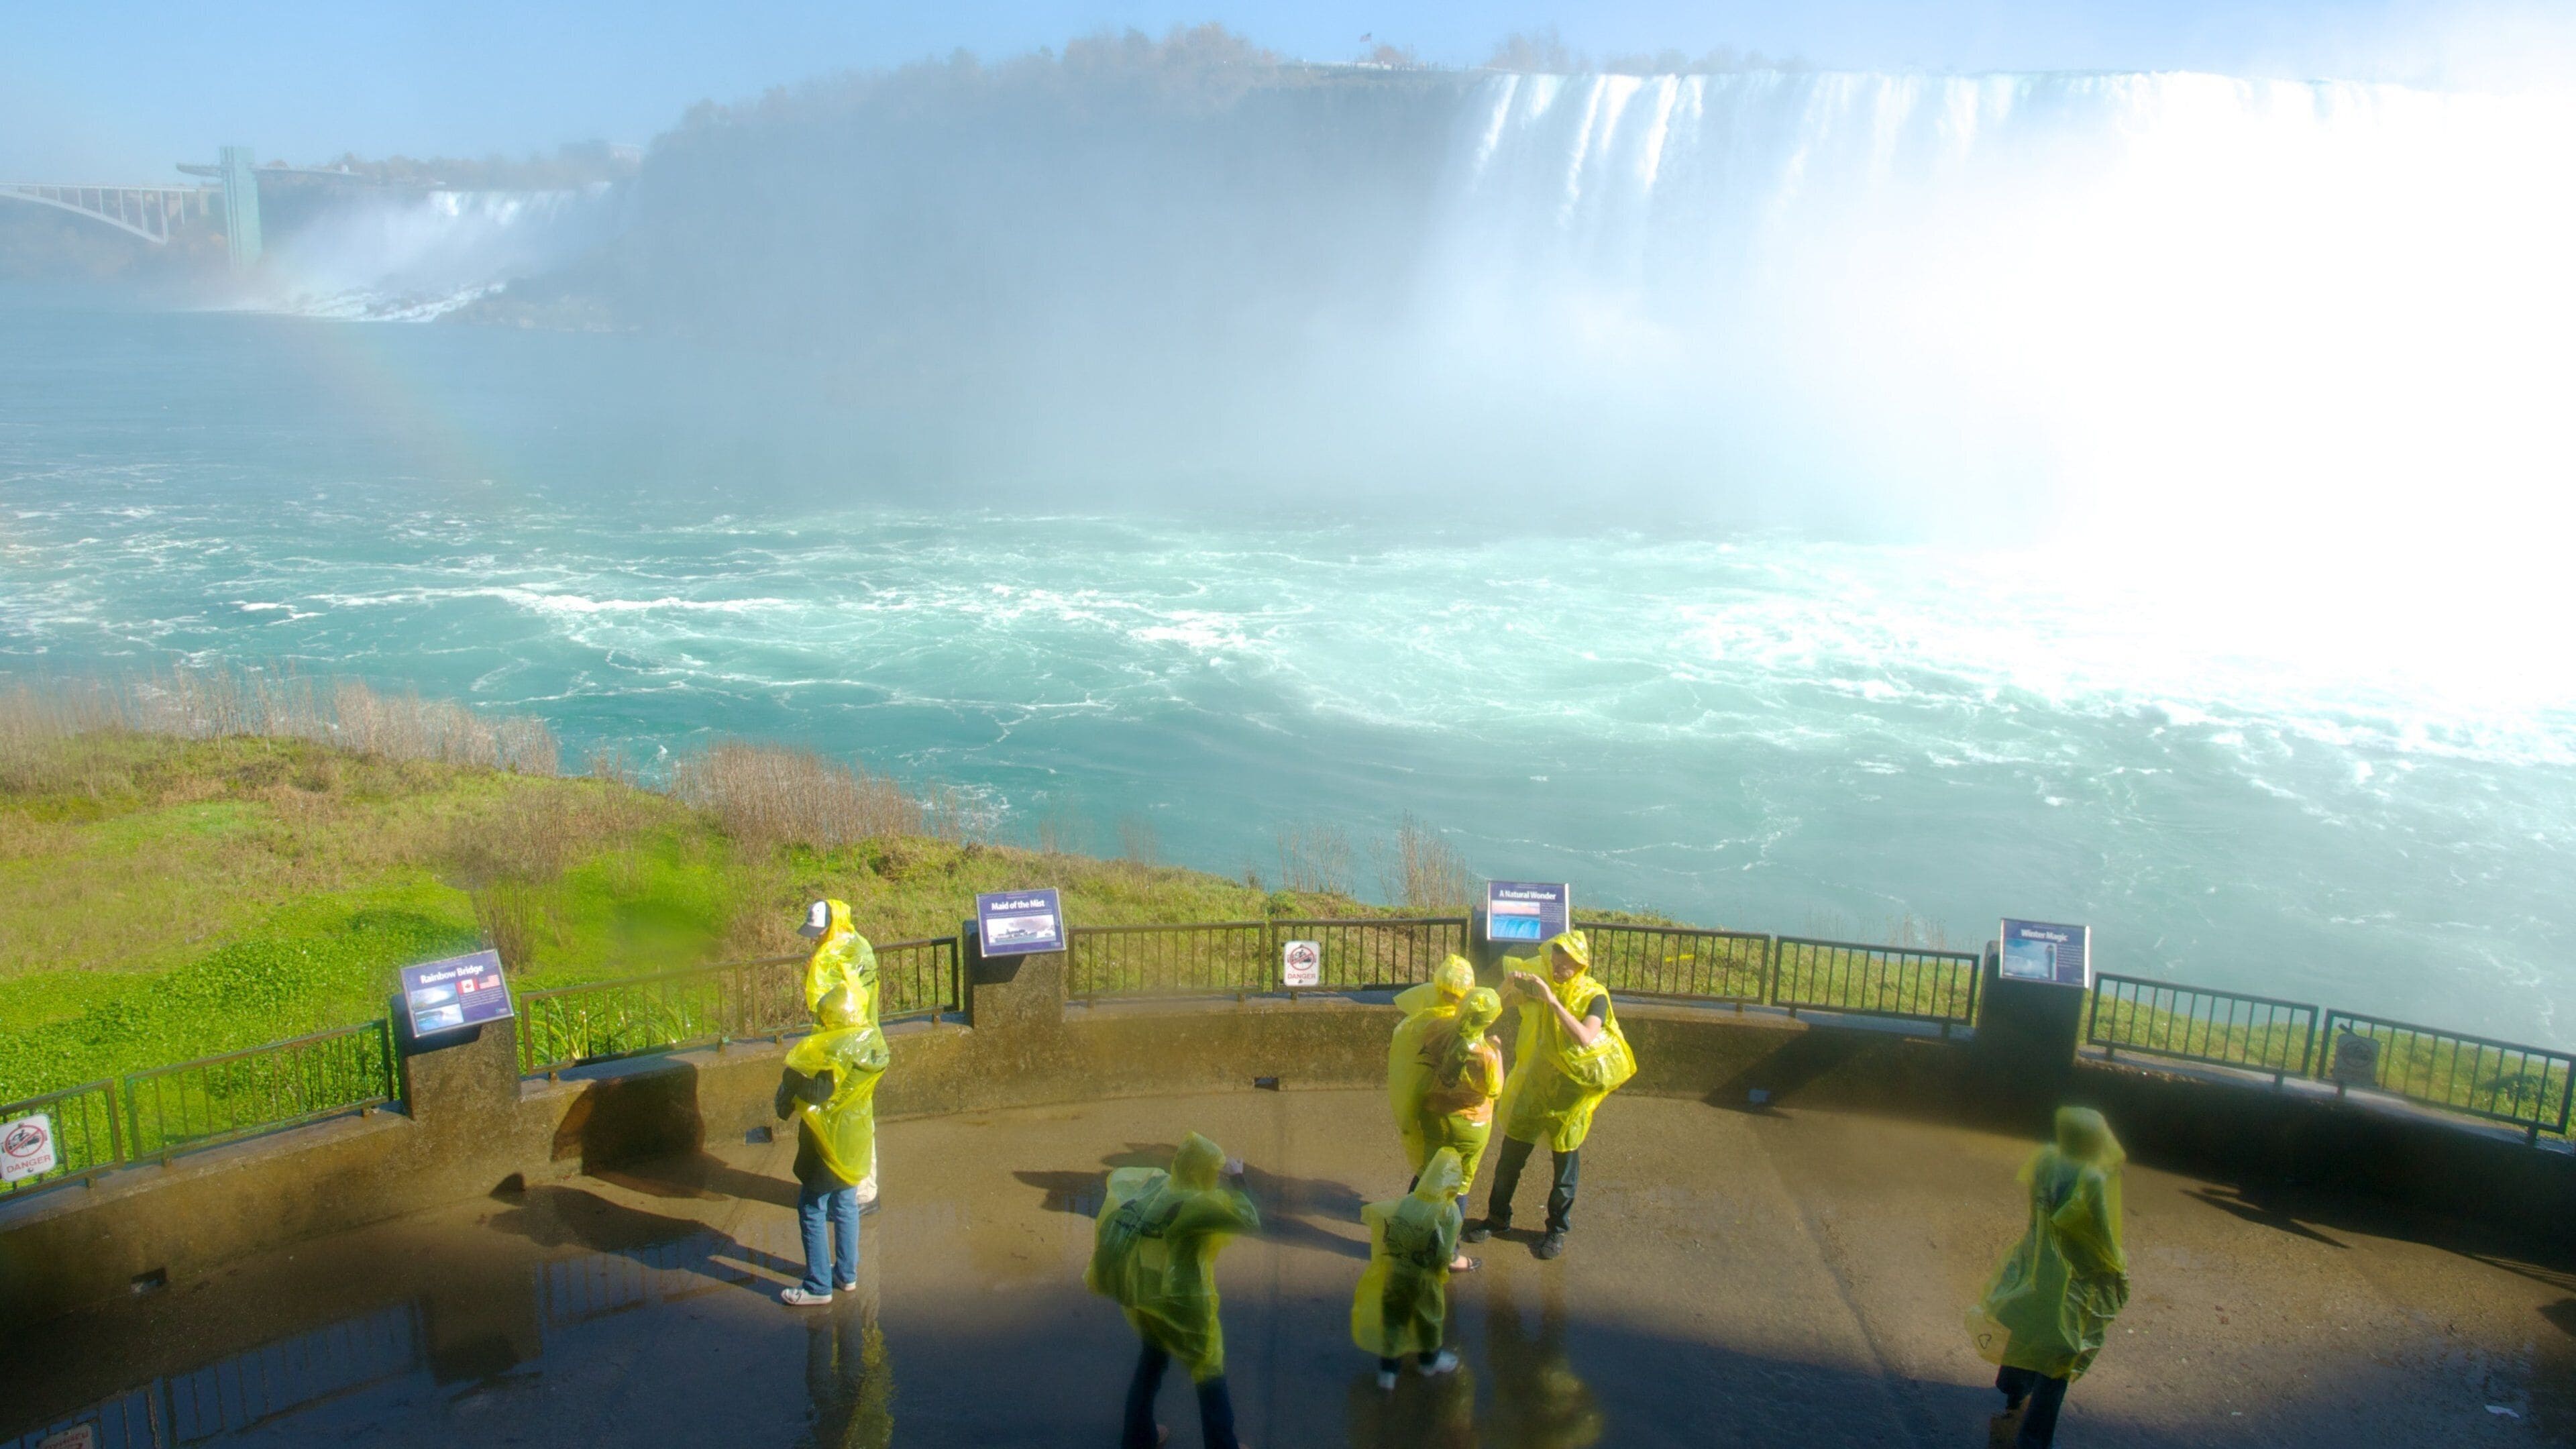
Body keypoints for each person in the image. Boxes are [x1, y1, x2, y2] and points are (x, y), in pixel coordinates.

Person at [1966, 1107, 2131, 1448]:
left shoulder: (2045, 1160)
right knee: (2060, 1352)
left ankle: (2013, 1387)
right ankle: (2034, 1437)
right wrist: (2116, 1269)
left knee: (2026, 1323)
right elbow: (2101, 1233)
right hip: (2073, 1271)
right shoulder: (2093, 1178)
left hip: (2037, 1257)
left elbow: (2034, 1212)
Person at [1463, 931, 1634, 1261]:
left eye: (1564, 966)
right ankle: (1498, 1219)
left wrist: (1552, 1001)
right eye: (1554, 964)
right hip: (1532, 1092)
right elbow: (1495, 1010)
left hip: (1568, 1102)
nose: (1557, 971)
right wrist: (1508, 986)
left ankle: (1557, 1230)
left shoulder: (1593, 995)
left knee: (1564, 1175)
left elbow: (1586, 1037)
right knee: (1508, 1165)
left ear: (1580, 965)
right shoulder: (1541, 986)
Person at [1088, 1132, 1263, 1449]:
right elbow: (1248, 1218)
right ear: (1202, 1172)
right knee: (1209, 1374)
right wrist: (1237, 1179)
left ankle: (1138, 1437)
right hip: (1185, 1304)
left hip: (1147, 1297)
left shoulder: (1156, 1187)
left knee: (1151, 1364)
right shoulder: (1196, 1205)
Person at [774, 985, 890, 1307]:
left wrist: (792, 1078)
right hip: (855, 1137)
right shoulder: (869, 1042)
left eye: (824, 1018)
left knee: (811, 1207)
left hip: (828, 1141)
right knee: (846, 1203)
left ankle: (817, 1286)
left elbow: (818, 1093)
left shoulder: (837, 1049)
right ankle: (847, 1274)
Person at [1353, 1147, 1468, 1390]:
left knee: (1394, 1321)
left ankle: (1388, 1372)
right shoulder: (1450, 1213)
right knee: (1429, 1320)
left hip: (1396, 1275)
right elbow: (1444, 1253)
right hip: (1424, 1280)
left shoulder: (1408, 1203)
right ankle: (1428, 1362)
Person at [801, 900, 883, 1208]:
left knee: (856, 1121)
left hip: (852, 1049)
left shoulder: (844, 953)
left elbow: (844, 1005)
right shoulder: (851, 946)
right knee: (848, 1120)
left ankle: (862, 1195)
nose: (814, 939)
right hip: (853, 1046)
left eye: (817, 932)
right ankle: (851, 1190)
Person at [1418, 987, 1505, 1270]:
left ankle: (1414, 1238)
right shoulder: (1487, 1055)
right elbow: (1495, 1089)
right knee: (1459, 1186)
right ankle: (1449, 1254)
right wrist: (1498, 1051)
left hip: (1434, 1117)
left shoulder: (1437, 1031)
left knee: (1428, 1175)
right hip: (1470, 1126)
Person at [1387, 954, 1478, 1176]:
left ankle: (1418, 1201)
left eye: (1455, 995)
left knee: (1431, 1161)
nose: (1450, 999)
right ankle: (1428, 1203)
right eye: (1446, 992)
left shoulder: (1427, 1009)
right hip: (1441, 1101)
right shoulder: (1444, 1019)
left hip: (1432, 1096)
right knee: (1445, 1167)